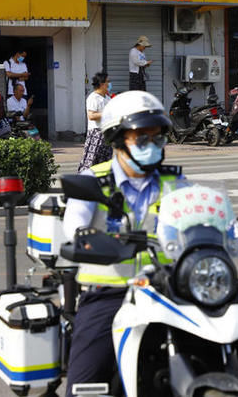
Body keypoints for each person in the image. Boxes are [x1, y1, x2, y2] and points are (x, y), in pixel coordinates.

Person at [63, 91, 183, 395]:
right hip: (110, 295)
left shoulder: (175, 182)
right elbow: (74, 223)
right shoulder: (94, 179)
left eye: (158, 137)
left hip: (168, 290)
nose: (152, 145)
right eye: (142, 138)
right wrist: (85, 238)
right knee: (85, 381)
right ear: (117, 140)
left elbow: (205, 216)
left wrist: (237, 233)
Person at [78, 72, 113, 173]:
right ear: (102, 84)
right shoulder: (93, 98)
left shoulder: (107, 98)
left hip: (107, 133)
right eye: (108, 82)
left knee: (105, 163)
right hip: (96, 133)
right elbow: (91, 115)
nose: (109, 84)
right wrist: (107, 113)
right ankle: (83, 182)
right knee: (91, 161)